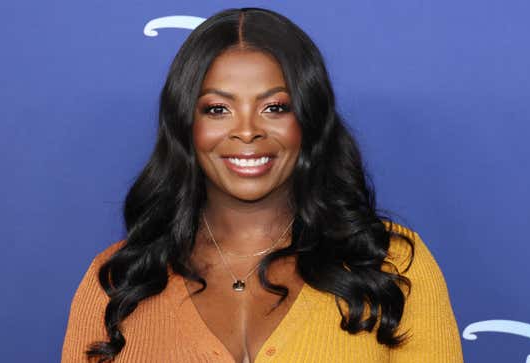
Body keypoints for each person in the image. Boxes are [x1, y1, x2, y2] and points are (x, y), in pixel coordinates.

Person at [61, 7, 464, 363]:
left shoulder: (392, 267)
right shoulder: (118, 282)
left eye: (275, 107)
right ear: (186, 125)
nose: (248, 131)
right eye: (218, 109)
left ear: (308, 120)